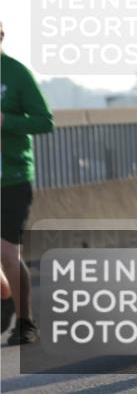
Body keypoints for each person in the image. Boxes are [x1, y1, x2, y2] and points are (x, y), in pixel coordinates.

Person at [1, 22, 54, 345]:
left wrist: (7, 121)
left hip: (12, 179)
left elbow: (45, 122)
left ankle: (25, 322)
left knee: (7, 250)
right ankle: (6, 296)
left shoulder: (16, 73)